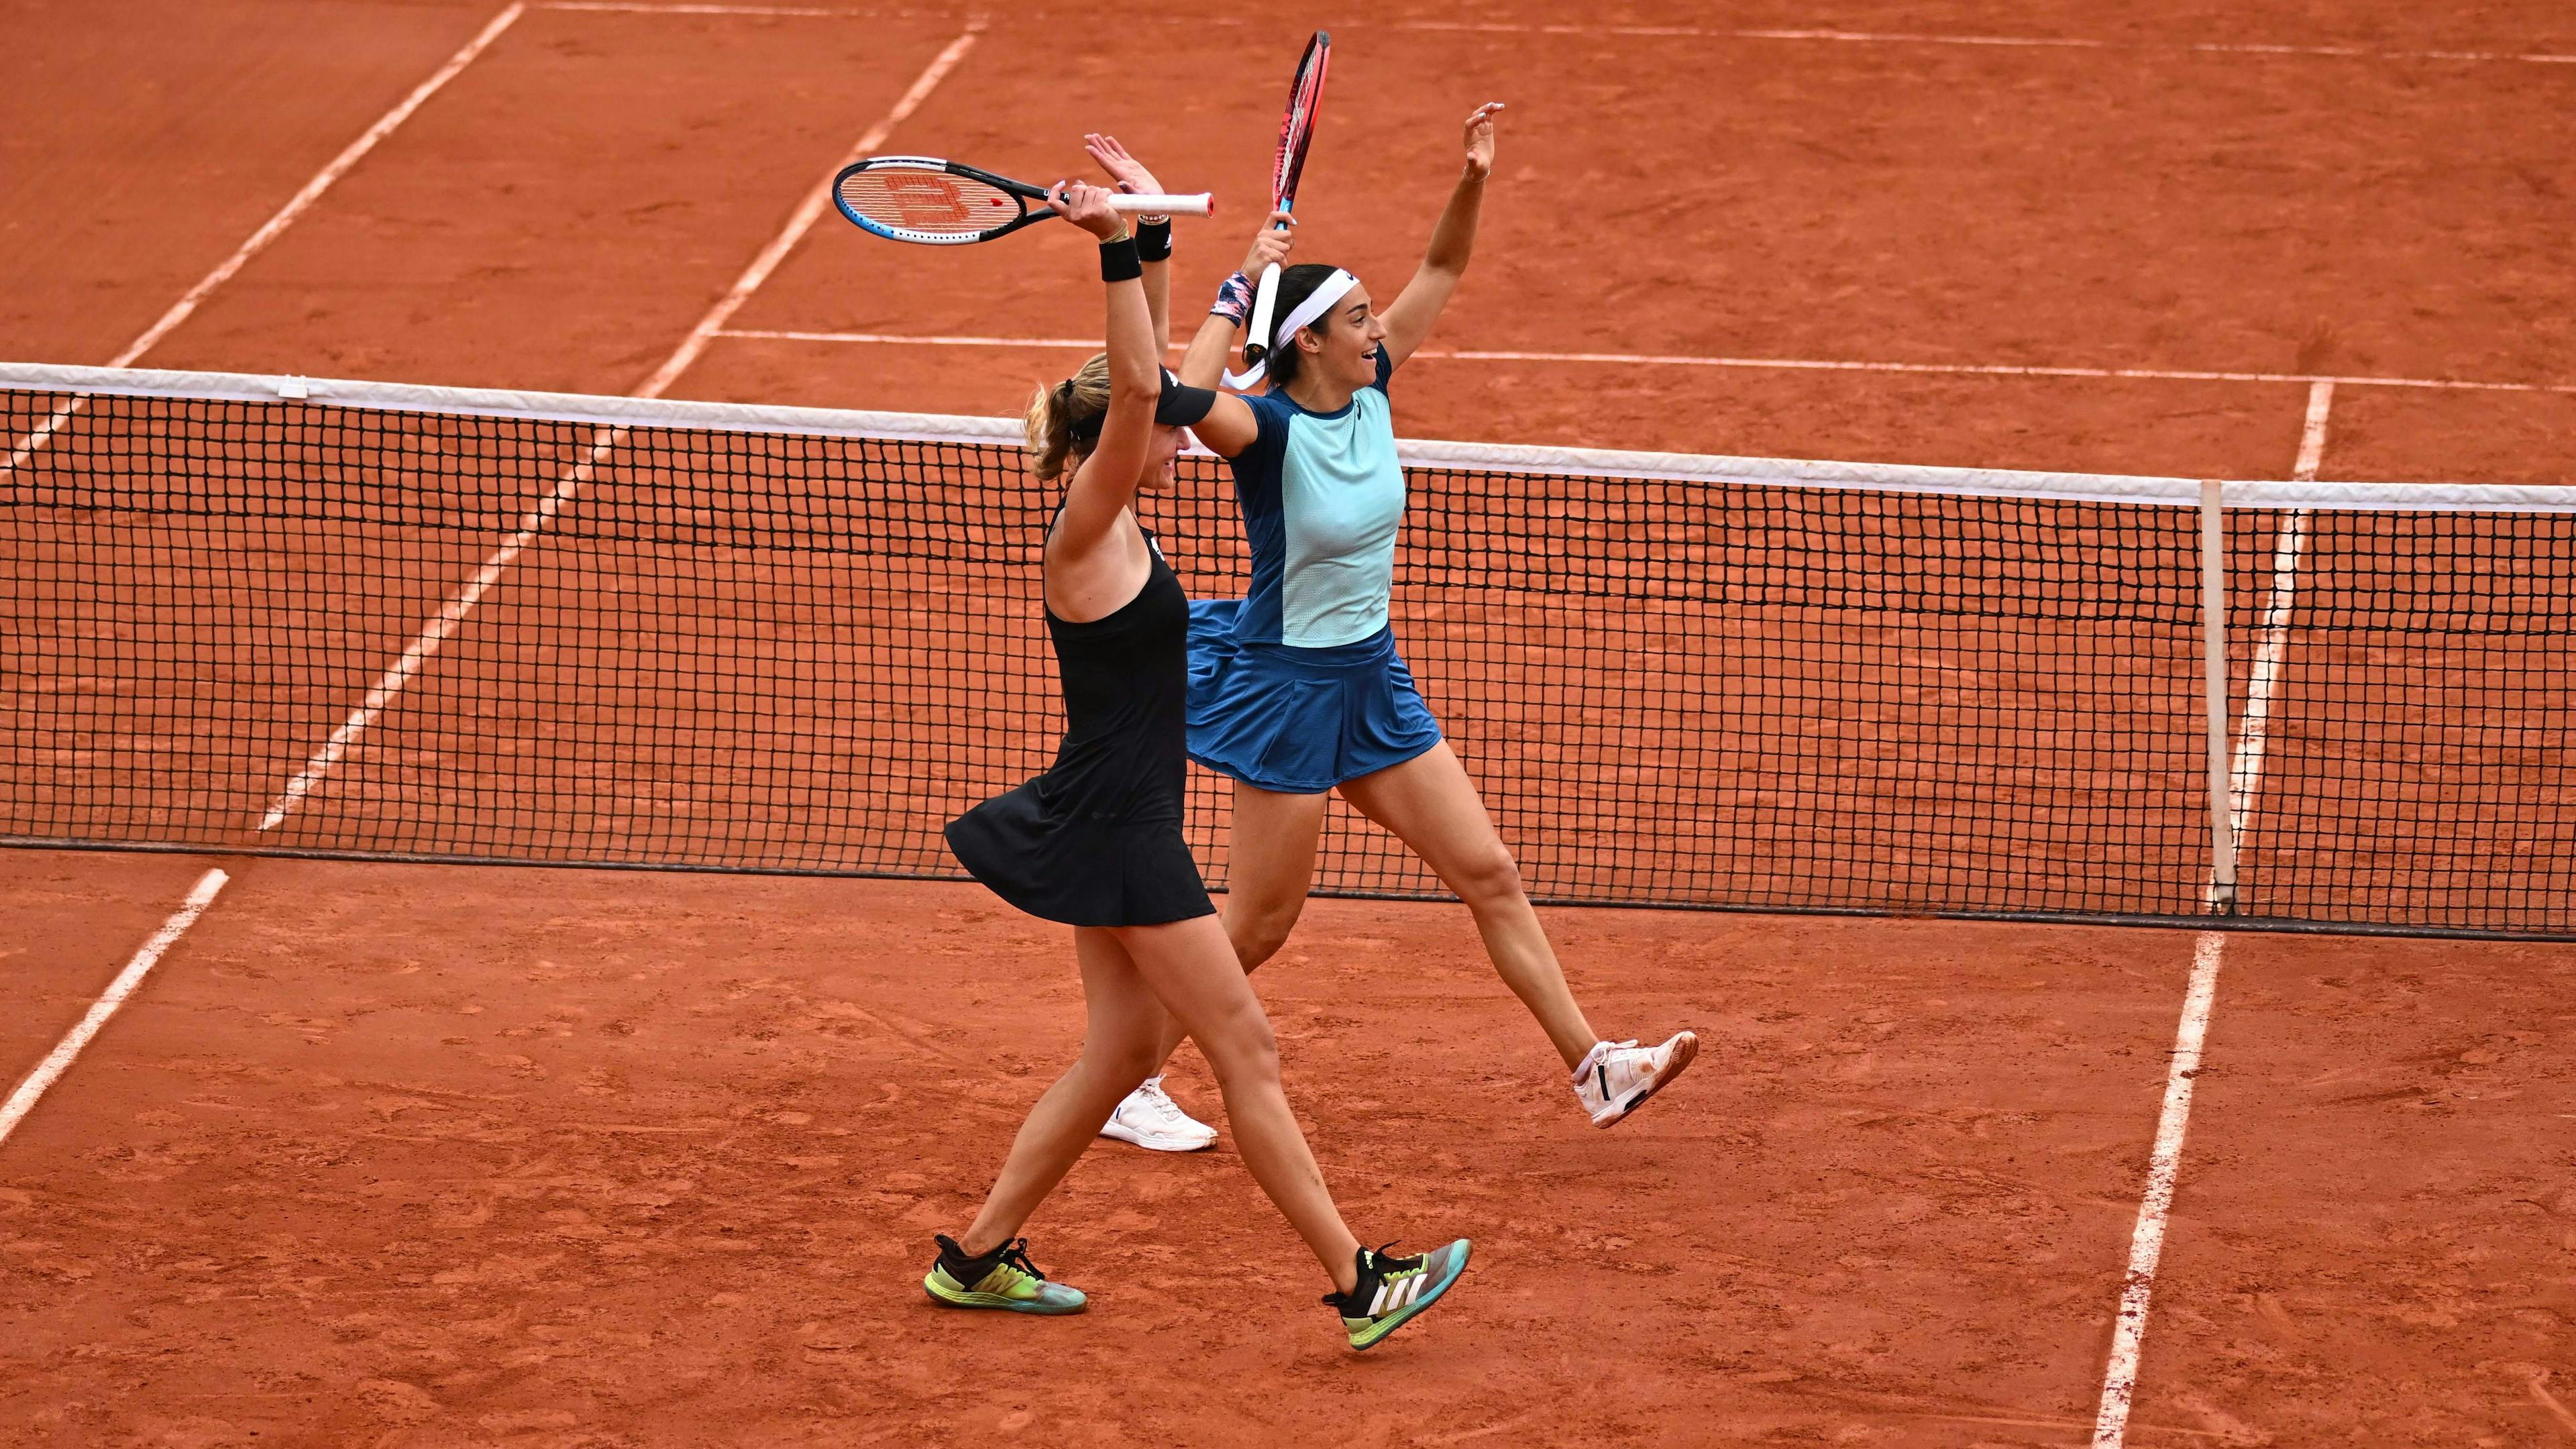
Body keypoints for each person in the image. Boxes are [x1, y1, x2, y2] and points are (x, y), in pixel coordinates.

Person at [927, 162, 1468, 1352]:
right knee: (1247, 1052)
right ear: (1105, 441)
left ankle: (975, 1257)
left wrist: (1210, 261)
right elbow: (1145, 388)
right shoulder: (1087, 530)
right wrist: (1114, 247)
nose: (1180, 424)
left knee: (1120, 1055)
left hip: (1106, 823)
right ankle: (1360, 1279)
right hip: (1121, 838)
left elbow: (1170, 377)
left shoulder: (1120, 517)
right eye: (1147, 426)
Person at [1095, 104, 1697, 1153]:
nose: (1383, 328)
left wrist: (1471, 178)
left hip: (1371, 680)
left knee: (1490, 873)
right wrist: (1232, 284)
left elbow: (1445, 266)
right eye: (1361, 318)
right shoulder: (1264, 430)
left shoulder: (1373, 387)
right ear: (1311, 342)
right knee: (1258, 927)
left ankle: (1594, 1066)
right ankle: (1124, 1083)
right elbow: (1179, 390)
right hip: (1285, 692)